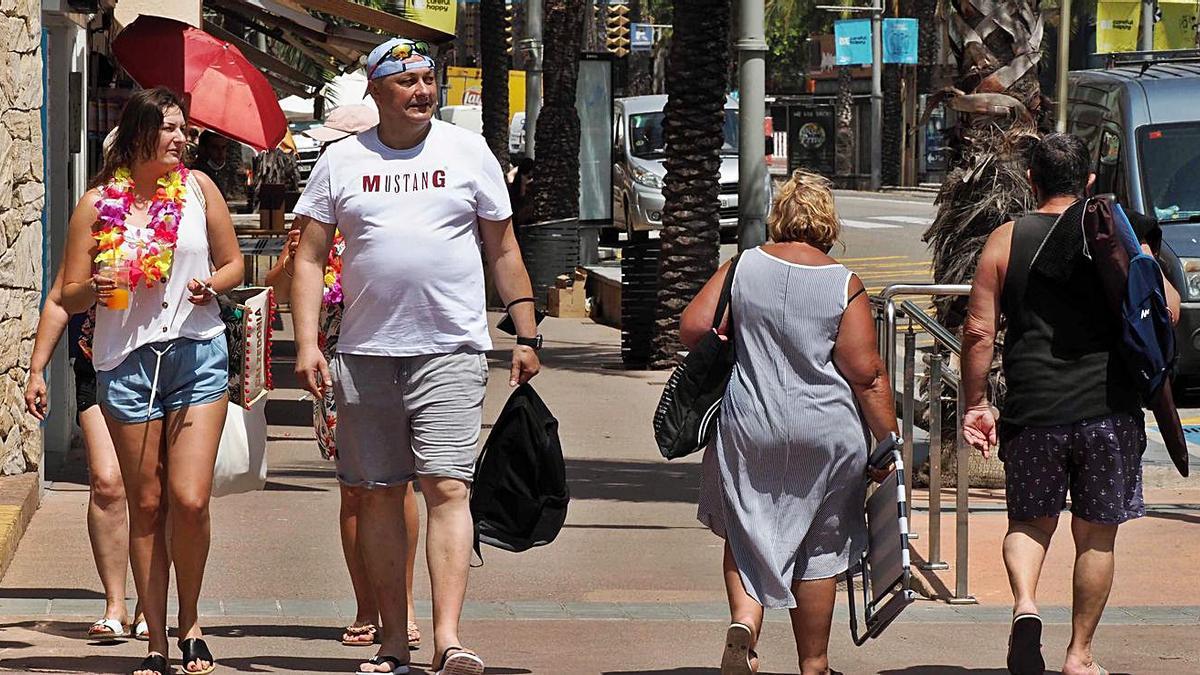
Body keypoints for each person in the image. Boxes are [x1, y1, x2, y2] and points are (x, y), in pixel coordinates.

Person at [290, 37, 541, 675]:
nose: (423, 91)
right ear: (376, 92)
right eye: (408, 82)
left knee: (447, 486)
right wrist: (307, 342)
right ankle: (394, 640)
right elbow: (310, 257)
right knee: (377, 493)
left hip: (451, 349)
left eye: (429, 79)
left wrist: (527, 331)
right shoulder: (341, 162)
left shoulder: (468, 151)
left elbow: (503, 248)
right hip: (366, 353)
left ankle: (448, 640)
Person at [960, 133, 1181, 675]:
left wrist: (977, 402)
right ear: (1088, 182)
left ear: (1030, 180)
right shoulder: (1117, 234)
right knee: (1096, 536)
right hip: (1108, 408)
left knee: (1030, 525)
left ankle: (1026, 607)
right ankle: (1079, 655)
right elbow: (1167, 311)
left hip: (1033, 408)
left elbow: (978, 331)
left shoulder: (1004, 240)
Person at [682, 170, 898, 675]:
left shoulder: (743, 267)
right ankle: (814, 664)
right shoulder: (843, 284)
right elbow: (867, 375)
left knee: (745, 527)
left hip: (750, 424)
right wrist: (888, 443)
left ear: (778, 219)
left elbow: (693, 328)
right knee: (820, 548)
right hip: (825, 432)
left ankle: (745, 626)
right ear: (828, 225)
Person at [60, 87, 244, 675]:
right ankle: (156, 641)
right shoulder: (96, 204)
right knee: (146, 503)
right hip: (124, 362)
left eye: (183, 129)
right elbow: (67, 293)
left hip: (197, 352)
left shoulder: (197, 189)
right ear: (140, 133)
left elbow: (233, 262)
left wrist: (212, 286)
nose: (181, 139)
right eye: (170, 128)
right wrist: (100, 282)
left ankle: (191, 624)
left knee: (188, 500)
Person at [266, 216, 422, 651]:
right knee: (353, 488)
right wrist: (294, 259)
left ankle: (404, 607)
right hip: (333, 365)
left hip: (390, 352)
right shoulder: (315, 218)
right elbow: (277, 288)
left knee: (396, 486)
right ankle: (367, 608)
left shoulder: (391, 212)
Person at [24, 271, 149, 641]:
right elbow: (60, 298)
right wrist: (36, 369)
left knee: (151, 489)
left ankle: (149, 604)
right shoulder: (96, 223)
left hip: (159, 366)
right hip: (96, 363)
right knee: (107, 483)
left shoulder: (173, 218)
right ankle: (115, 606)